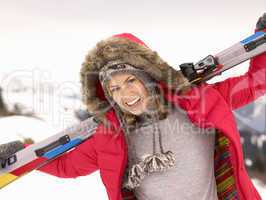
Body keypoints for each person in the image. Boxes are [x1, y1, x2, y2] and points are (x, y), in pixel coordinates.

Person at [1, 13, 266, 200]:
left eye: (131, 80)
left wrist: (261, 42)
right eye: (114, 89)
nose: (125, 94)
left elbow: (255, 83)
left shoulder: (200, 101)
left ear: (149, 77)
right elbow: (67, 166)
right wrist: (23, 154)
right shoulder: (110, 135)